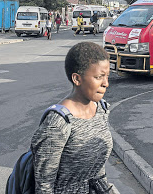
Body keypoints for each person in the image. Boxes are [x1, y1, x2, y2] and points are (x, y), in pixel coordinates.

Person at [31, 42, 113, 193]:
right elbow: (44, 186)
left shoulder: (101, 109)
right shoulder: (57, 124)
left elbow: (98, 171)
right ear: (77, 79)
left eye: (107, 76)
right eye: (99, 77)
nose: (106, 83)